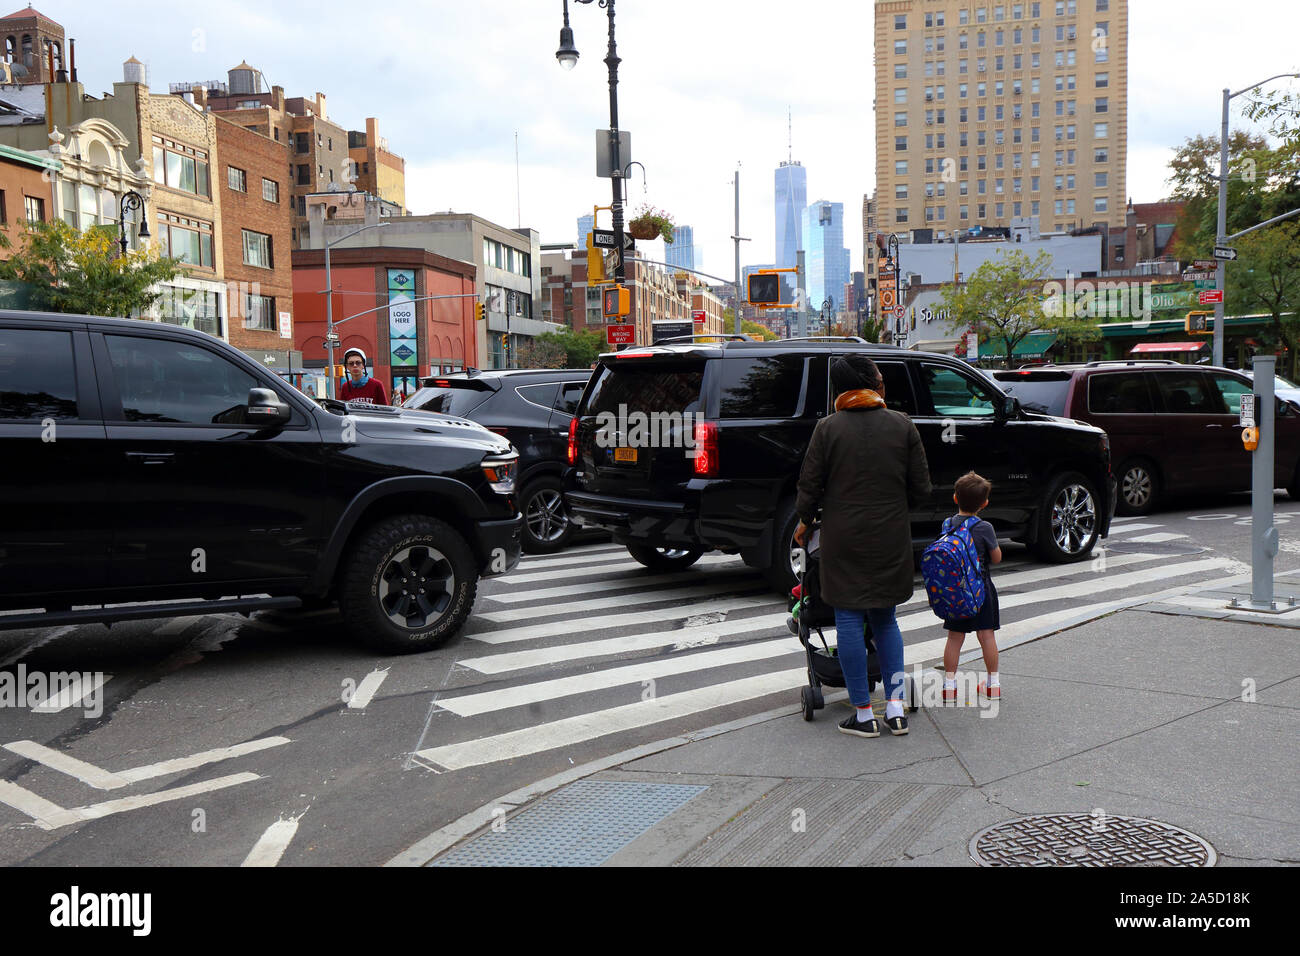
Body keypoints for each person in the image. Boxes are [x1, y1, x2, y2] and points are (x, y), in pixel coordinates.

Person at [795, 354, 932, 738]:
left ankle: (862, 713)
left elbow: (809, 488)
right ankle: (895, 709)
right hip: (890, 536)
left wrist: (806, 522)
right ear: (872, 383)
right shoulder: (902, 425)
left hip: (843, 537)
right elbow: (921, 490)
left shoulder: (828, 429)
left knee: (849, 620)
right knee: (886, 619)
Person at [941, 471, 1002, 703]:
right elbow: (996, 558)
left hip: (956, 591)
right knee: (986, 636)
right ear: (985, 503)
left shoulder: (947, 524)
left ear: (955, 498)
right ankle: (993, 684)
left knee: (954, 637)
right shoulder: (985, 527)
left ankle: (949, 687)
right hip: (981, 590)